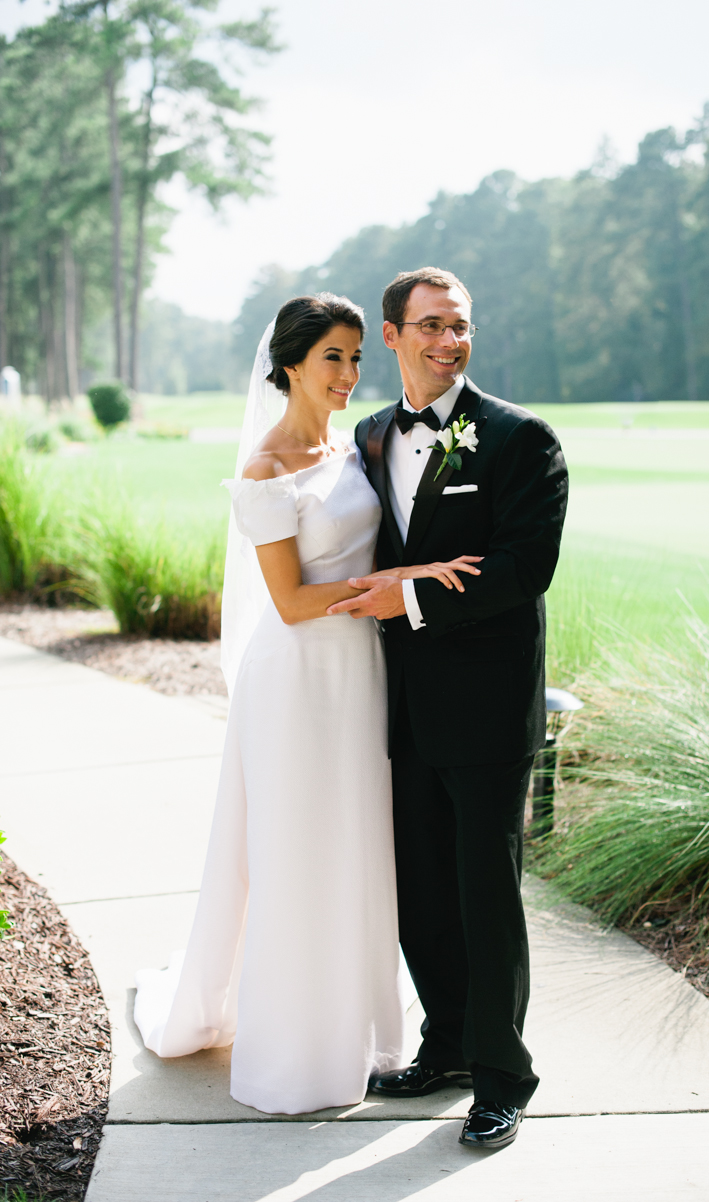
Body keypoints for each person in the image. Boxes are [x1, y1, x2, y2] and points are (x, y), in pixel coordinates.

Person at [133, 292, 481, 1116]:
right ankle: (294, 1053)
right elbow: (289, 603)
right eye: (334, 357)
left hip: (360, 675)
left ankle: (358, 1033)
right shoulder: (263, 471)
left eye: (358, 357)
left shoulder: (355, 446)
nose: (351, 374)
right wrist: (395, 587)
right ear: (288, 363)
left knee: (359, 846)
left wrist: (408, 580)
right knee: (296, 851)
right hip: (295, 683)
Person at [328, 267, 569, 1149]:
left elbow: (519, 570)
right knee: (423, 888)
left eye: (459, 326)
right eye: (429, 326)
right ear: (391, 337)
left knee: (485, 892)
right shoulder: (367, 436)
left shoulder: (520, 439)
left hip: (490, 710)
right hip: (401, 708)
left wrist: (411, 599)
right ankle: (450, 1044)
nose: (447, 342)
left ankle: (505, 1075)